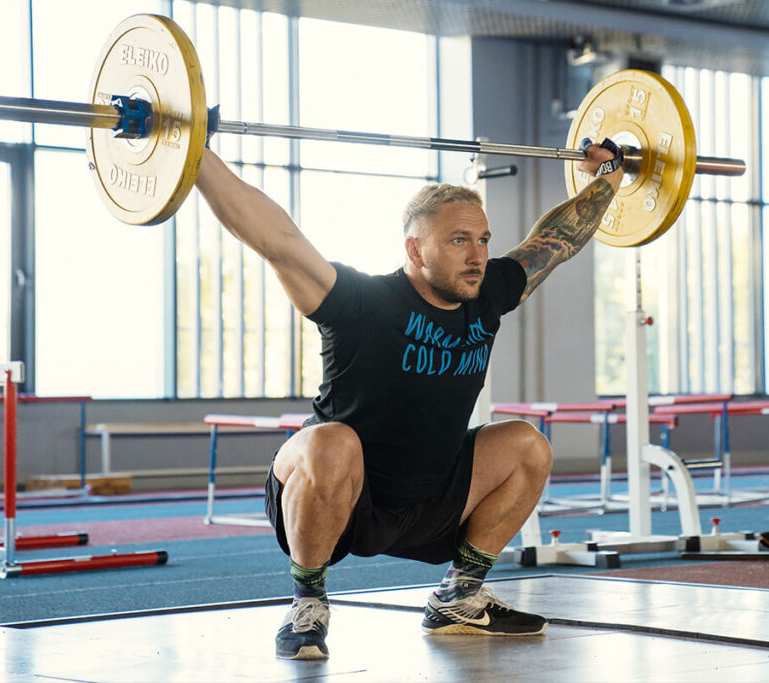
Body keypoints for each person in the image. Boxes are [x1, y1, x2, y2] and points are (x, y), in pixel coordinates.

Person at [195, 136, 623, 660]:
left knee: (526, 446)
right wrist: (196, 154)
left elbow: (554, 242)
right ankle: (307, 603)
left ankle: (459, 597)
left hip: (428, 500)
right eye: (459, 240)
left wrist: (608, 178)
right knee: (328, 442)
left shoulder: (486, 294)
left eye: (484, 239)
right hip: (342, 496)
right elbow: (276, 239)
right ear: (415, 249)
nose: (478, 255)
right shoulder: (361, 302)